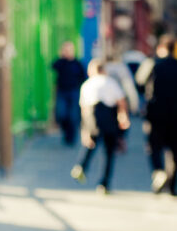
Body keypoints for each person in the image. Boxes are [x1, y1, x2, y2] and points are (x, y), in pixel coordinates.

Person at [70, 59, 129, 193]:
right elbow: (121, 101)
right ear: (104, 70)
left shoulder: (86, 85)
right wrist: (123, 116)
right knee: (108, 152)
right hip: (109, 118)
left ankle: (81, 165)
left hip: (92, 118)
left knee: (90, 144)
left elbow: (84, 110)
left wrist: (84, 131)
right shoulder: (110, 82)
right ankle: (104, 183)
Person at [135, 34, 177, 194]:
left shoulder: (152, 64)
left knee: (155, 146)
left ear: (160, 48)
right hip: (175, 113)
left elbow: (139, 83)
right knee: (174, 149)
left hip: (155, 112)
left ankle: (159, 172)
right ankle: (172, 184)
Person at [51, 41, 86, 145]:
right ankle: (65, 132)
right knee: (62, 113)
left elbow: (83, 77)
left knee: (73, 115)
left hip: (74, 92)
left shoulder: (77, 63)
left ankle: (71, 138)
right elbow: (53, 65)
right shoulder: (61, 63)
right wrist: (61, 57)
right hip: (62, 91)